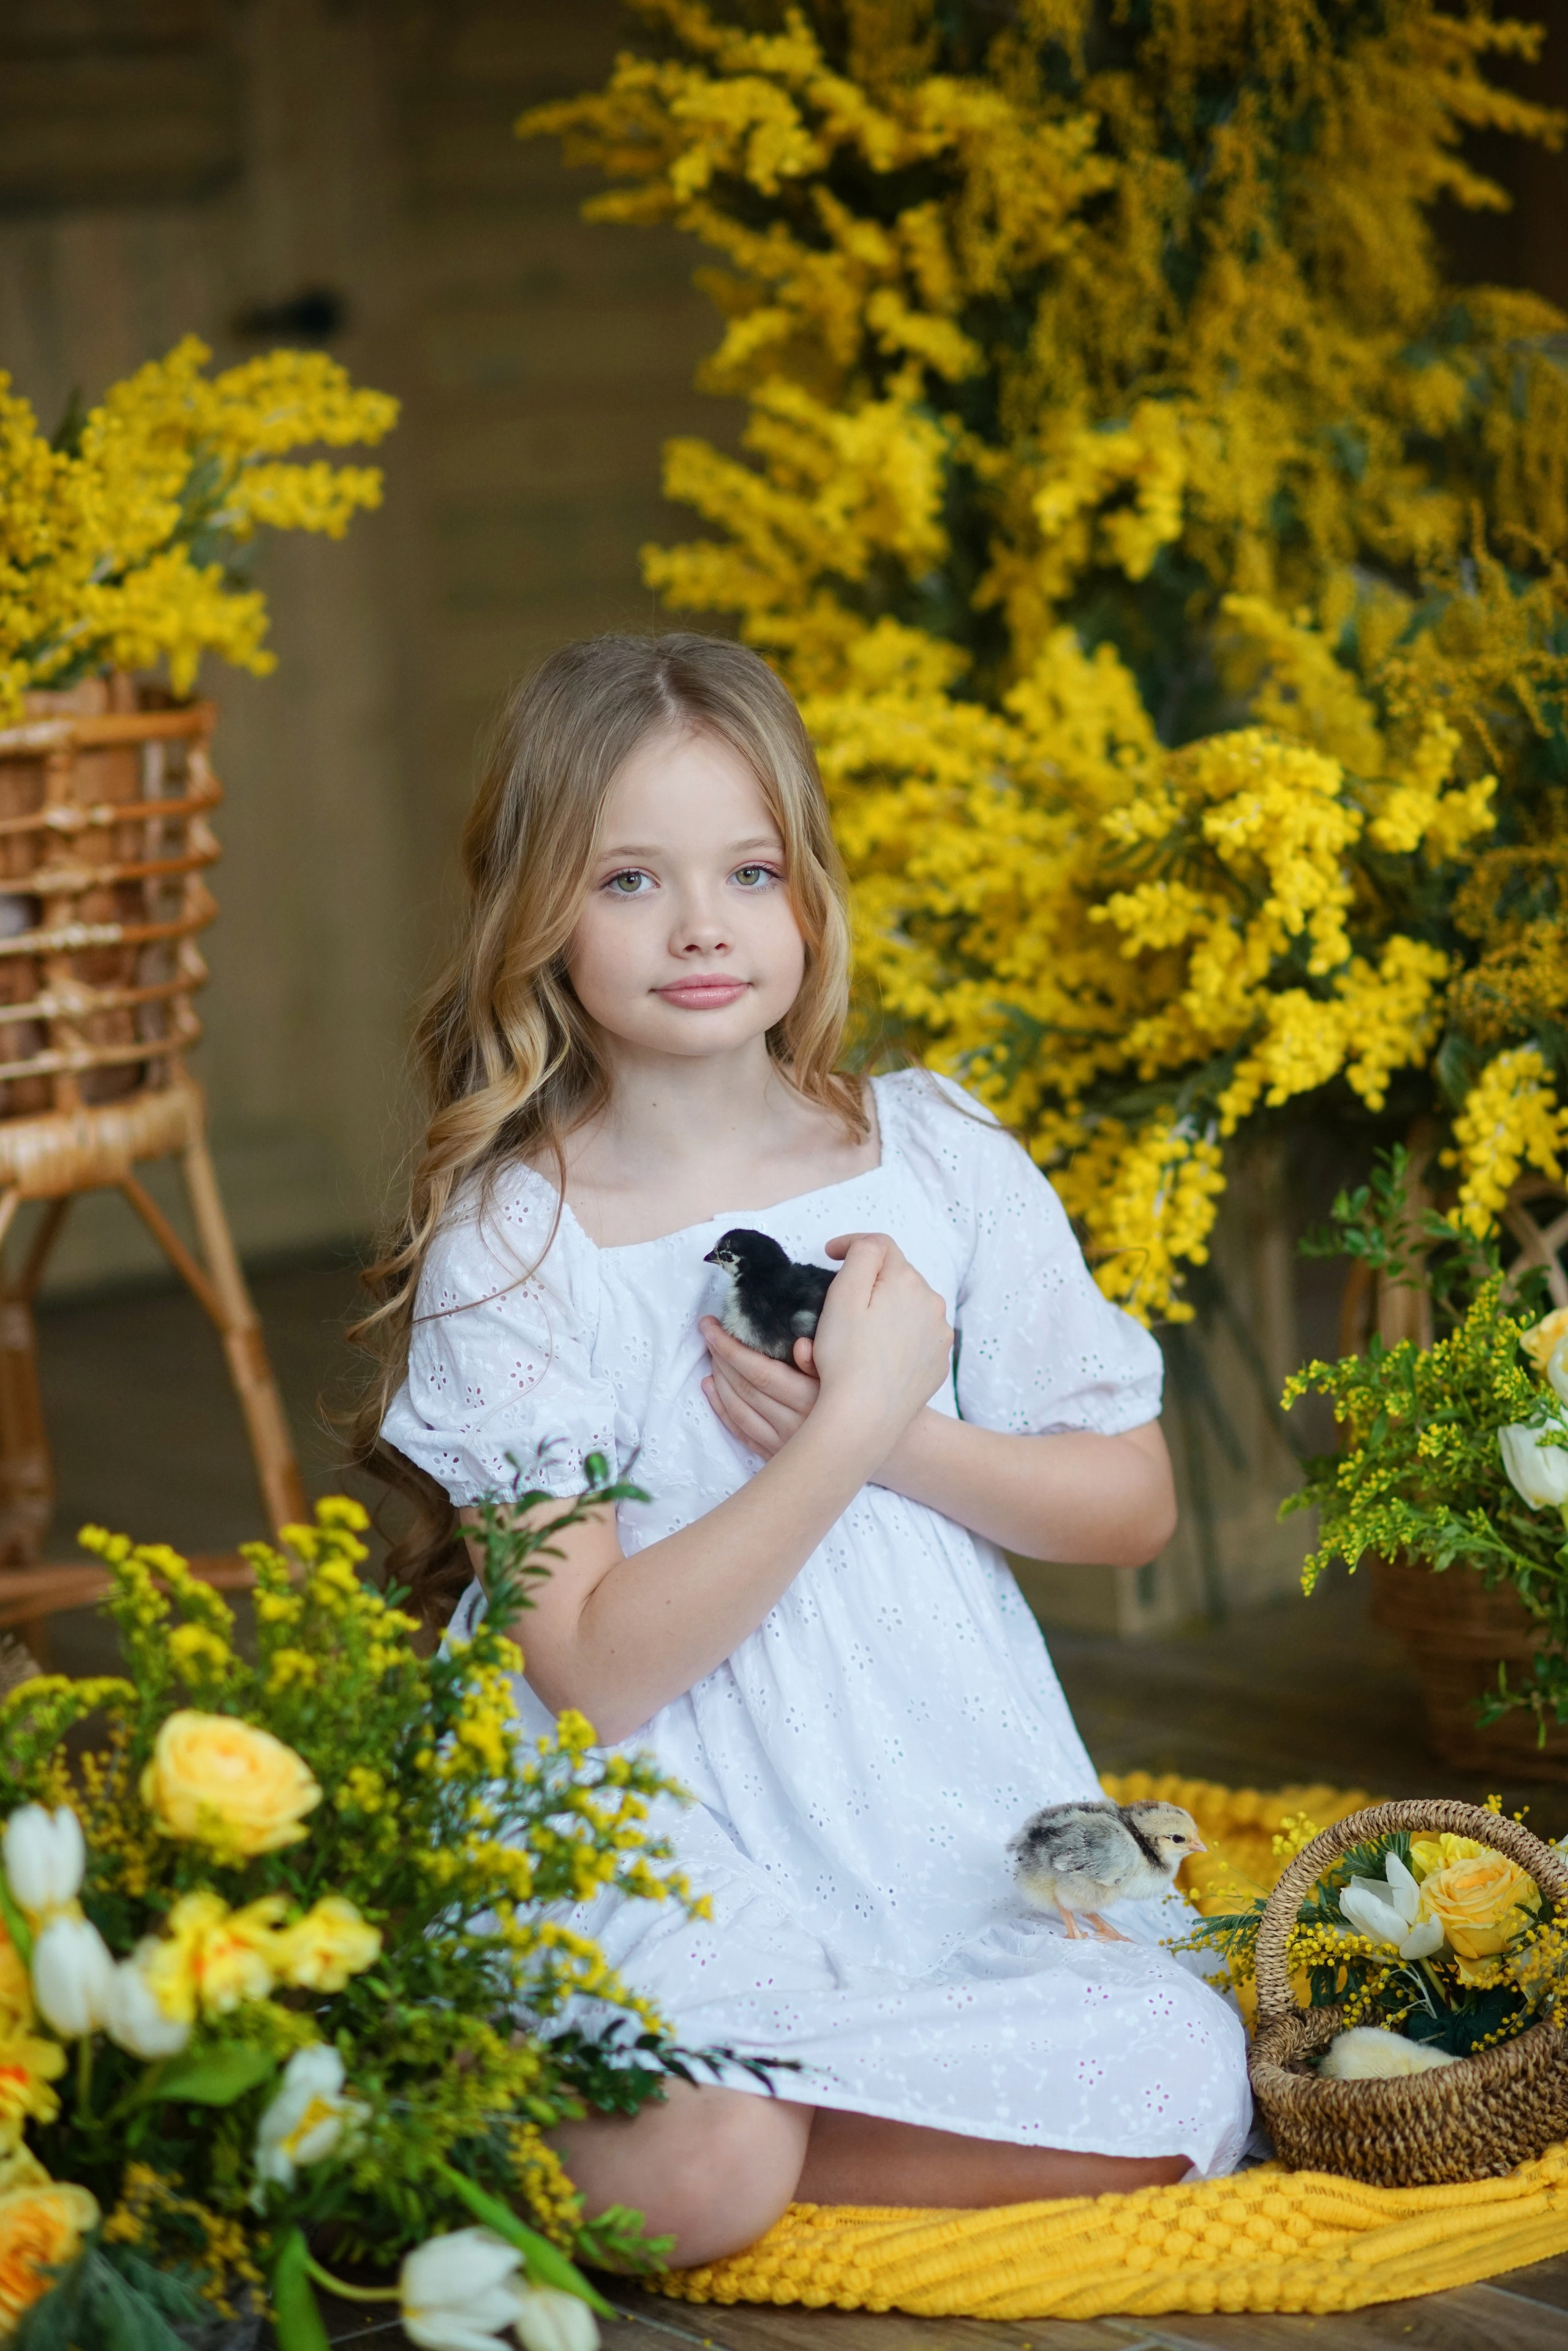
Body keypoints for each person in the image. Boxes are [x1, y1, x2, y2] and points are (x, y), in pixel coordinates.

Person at [358, 633, 1251, 2267]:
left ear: (810, 895)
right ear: (537, 912)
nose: (701, 925)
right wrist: (839, 1436)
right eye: (630, 879)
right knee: (704, 2168)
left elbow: (1131, 1502)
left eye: (750, 870)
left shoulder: (937, 1155)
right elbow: (593, 1674)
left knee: (1184, 2068)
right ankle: (668, 2129)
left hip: (924, 1795)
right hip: (643, 1814)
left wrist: (903, 1434)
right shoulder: (515, 1241)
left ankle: (741, 2129)